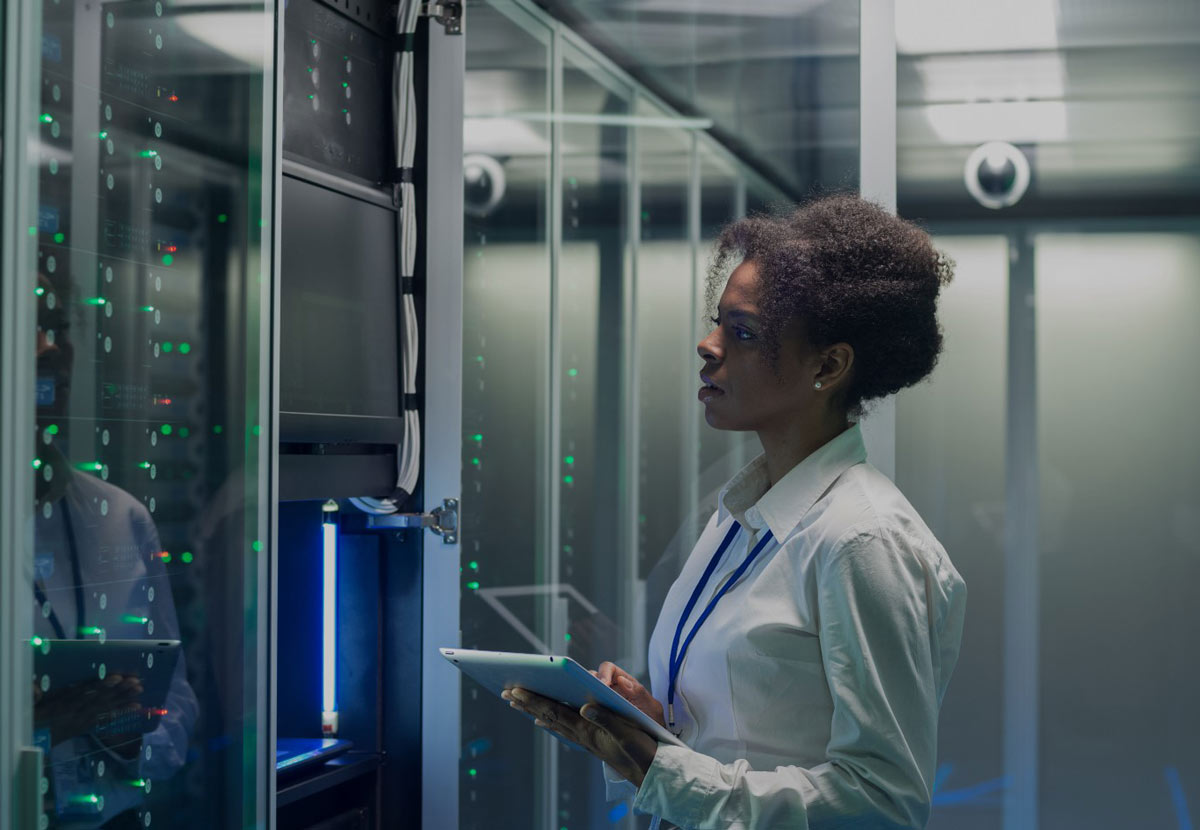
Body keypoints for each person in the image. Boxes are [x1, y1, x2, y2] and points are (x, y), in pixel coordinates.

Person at [505, 194, 967, 829]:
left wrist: (659, 770)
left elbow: (883, 804)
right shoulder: (739, 515)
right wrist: (656, 727)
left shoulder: (863, 539)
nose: (707, 344)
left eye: (741, 332)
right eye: (717, 321)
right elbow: (750, 737)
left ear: (828, 366)